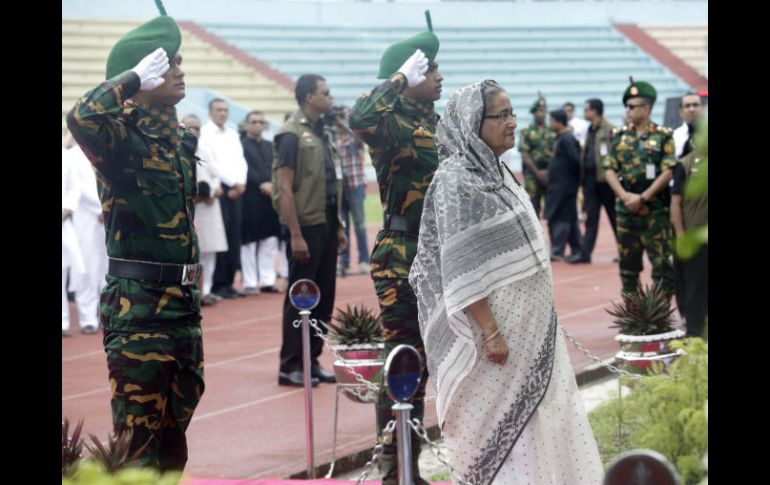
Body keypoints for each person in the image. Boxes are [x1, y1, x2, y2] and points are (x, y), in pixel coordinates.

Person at [409, 80, 604, 484]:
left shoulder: (497, 170)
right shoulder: (455, 180)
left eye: (512, 113)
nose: (512, 123)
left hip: (531, 328)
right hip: (495, 338)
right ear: (472, 124)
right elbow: (460, 266)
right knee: (505, 429)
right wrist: (492, 332)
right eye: (502, 116)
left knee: (543, 417)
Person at [66, 6, 205, 471]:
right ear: (146, 75)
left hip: (182, 305)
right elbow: (81, 117)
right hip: (139, 309)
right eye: (170, 64)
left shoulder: (179, 144)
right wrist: (129, 77)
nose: (181, 71)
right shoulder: (120, 143)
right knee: (137, 445)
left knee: (174, 439)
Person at [350, 17, 443, 483]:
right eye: (432, 70)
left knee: (423, 364)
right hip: (402, 251)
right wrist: (401, 76)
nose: (441, 76)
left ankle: (410, 464)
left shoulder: (435, 122)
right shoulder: (388, 124)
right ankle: (392, 468)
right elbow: (359, 115)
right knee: (404, 357)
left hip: (437, 250)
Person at [272, 74, 346, 387]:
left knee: (325, 295)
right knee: (301, 296)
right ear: (308, 98)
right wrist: (296, 234)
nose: (330, 97)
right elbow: (285, 189)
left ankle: (312, 359)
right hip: (306, 226)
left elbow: (330, 182)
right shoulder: (291, 135)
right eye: (324, 93)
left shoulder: (322, 132)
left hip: (327, 223)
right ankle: (290, 365)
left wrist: (339, 225)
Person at [603, 78, 677, 296]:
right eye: (627, 106)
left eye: (632, 106)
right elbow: (609, 170)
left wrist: (643, 198)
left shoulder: (663, 135)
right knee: (628, 268)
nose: (628, 110)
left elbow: (668, 170)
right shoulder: (619, 136)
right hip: (626, 211)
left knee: (662, 267)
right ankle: (632, 316)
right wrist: (627, 198)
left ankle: (660, 317)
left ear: (646, 108)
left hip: (654, 211)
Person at [567, 98, 617, 264]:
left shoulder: (611, 130)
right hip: (591, 182)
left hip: (607, 182)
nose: (584, 112)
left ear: (595, 111)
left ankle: (626, 251)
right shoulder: (589, 129)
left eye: (587, 109)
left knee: (615, 218)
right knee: (591, 219)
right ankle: (585, 253)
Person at [241, 110, 281, 294]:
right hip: (250, 197)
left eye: (260, 121)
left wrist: (272, 184)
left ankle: (267, 280)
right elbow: (244, 167)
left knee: (270, 240)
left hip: (270, 198)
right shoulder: (240, 144)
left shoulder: (270, 145)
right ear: (246, 124)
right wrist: (261, 183)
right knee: (249, 242)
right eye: (253, 121)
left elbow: (276, 167)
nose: (257, 124)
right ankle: (249, 282)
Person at [545, 109, 583, 261]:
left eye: (552, 121)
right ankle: (578, 249)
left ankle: (557, 249)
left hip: (565, 187)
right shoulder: (561, 137)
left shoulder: (567, 138)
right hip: (559, 186)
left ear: (559, 122)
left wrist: (571, 182)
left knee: (562, 217)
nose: (550, 124)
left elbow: (576, 161)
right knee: (570, 217)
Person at [518, 94, 555, 216]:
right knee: (532, 210)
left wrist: (549, 171)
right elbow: (525, 154)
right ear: (533, 113)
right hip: (532, 175)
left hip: (550, 173)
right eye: (539, 111)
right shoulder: (526, 131)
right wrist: (538, 173)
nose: (541, 113)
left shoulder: (553, 131)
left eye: (543, 110)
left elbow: (557, 153)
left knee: (553, 208)